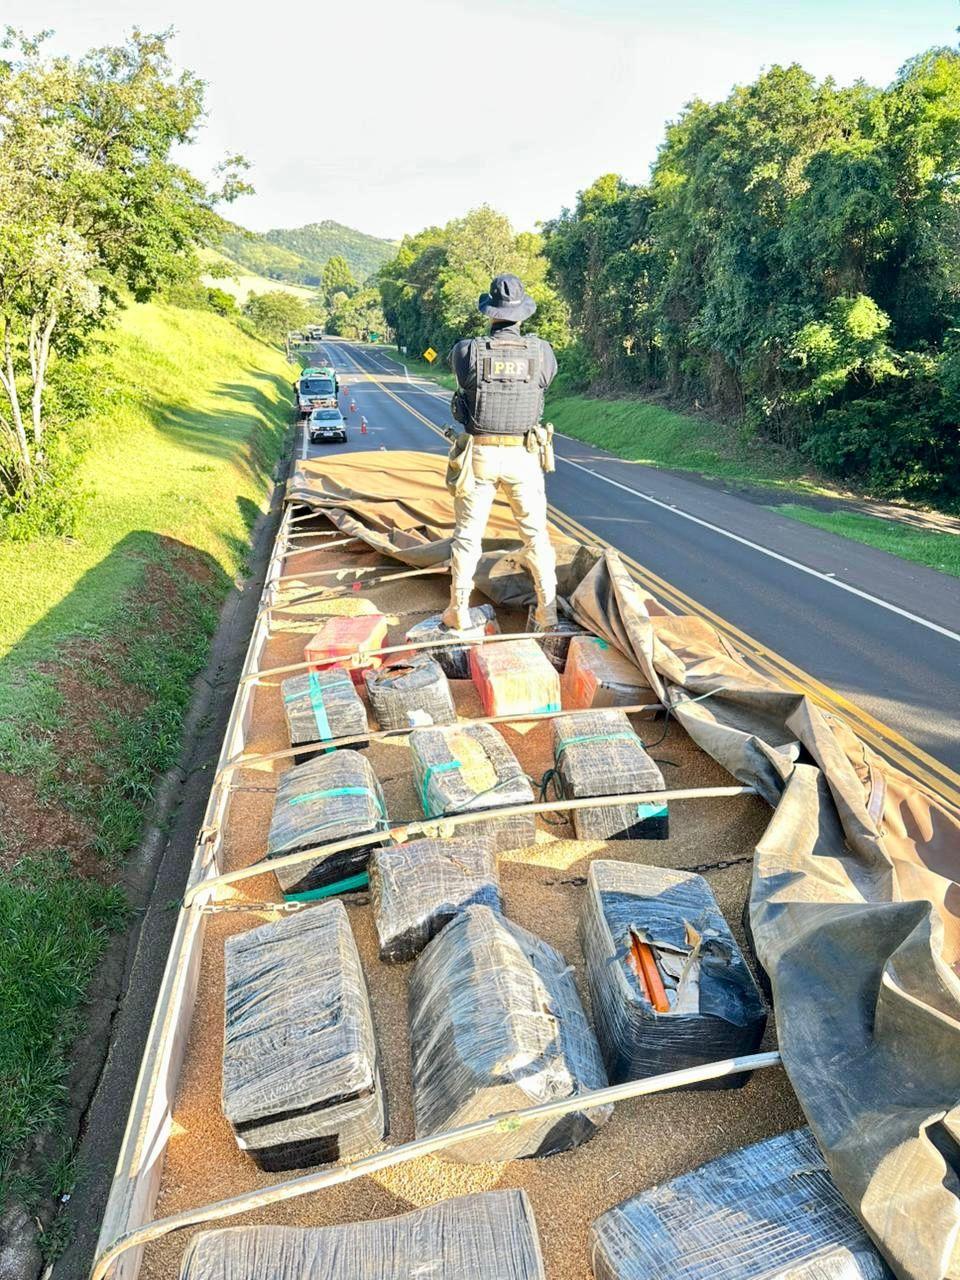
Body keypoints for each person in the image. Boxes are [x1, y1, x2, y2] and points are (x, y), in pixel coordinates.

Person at [442, 273, 558, 631]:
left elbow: (462, 381)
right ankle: (547, 610)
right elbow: (545, 381)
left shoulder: (467, 351)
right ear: (521, 315)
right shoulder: (542, 353)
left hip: (480, 454)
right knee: (535, 534)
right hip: (524, 454)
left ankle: (459, 609)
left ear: (490, 313)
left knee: (467, 535)